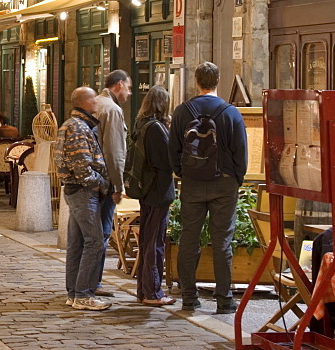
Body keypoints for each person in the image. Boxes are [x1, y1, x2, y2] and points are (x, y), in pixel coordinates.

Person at [169, 61, 248, 314]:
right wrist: (235, 178)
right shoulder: (230, 112)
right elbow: (241, 152)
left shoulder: (182, 111)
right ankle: (224, 299)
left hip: (192, 183)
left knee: (189, 240)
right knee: (222, 240)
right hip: (224, 183)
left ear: (196, 81)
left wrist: (183, 173)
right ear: (218, 80)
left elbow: (173, 150)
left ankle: (189, 298)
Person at [53, 86, 111, 311]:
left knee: (77, 244)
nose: (96, 102)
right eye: (93, 98)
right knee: (94, 241)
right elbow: (81, 166)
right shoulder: (77, 127)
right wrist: (101, 184)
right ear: (85, 102)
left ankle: (74, 293)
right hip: (83, 192)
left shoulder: (74, 124)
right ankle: (84, 295)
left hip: (78, 191)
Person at [132, 85, 176, 306]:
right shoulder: (156, 129)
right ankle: (153, 292)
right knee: (154, 242)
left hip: (146, 190)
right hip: (158, 191)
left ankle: (143, 290)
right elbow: (166, 163)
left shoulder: (141, 124)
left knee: (148, 240)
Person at [95, 69, 133, 297]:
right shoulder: (112, 110)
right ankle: (93, 283)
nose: (129, 92)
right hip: (105, 181)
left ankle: (82, 284)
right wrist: (119, 186)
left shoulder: (95, 104)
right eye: (128, 87)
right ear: (118, 85)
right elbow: (115, 152)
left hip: (90, 179)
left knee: (88, 236)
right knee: (101, 233)